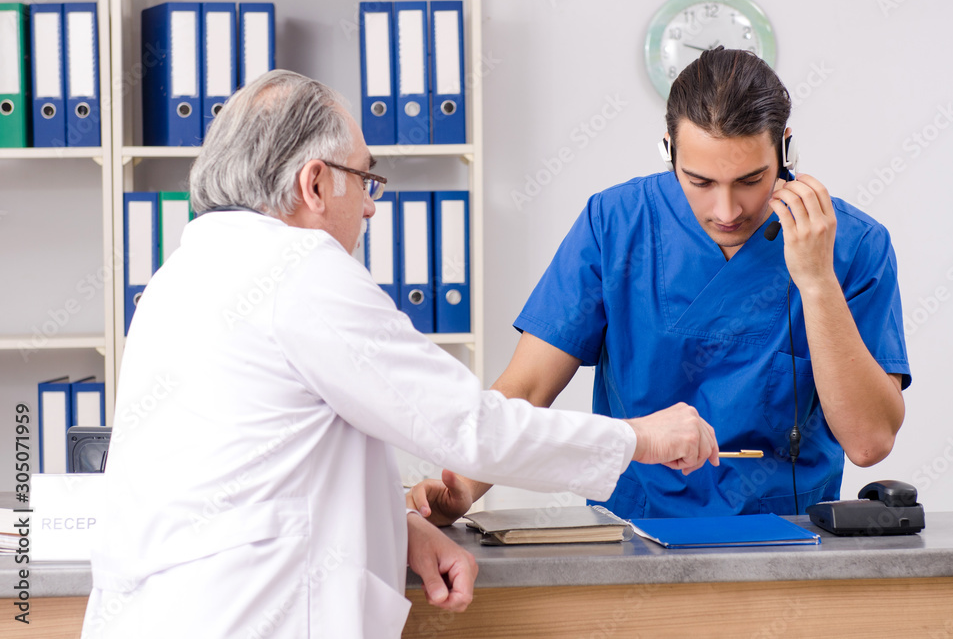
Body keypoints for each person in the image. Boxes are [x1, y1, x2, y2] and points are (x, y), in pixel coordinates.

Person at [81, 70, 720, 639]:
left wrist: (400, 527)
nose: (368, 205)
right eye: (365, 178)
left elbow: (262, 461)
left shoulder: (181, 276)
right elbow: (468, 428)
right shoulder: (299, 268)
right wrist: (639, 439)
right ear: (313, 182)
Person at [409, 48, 910, 524]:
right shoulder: (615, 224)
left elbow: (868, 443)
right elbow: (529, 386)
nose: (727, 210)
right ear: (668, 152)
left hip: (790, 543)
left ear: (786, 149)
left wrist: (818, 283)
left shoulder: (855, 246)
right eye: (700, 182)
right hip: (634, 540)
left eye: (751, 179)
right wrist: (463, 485)